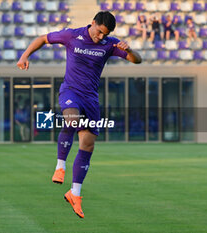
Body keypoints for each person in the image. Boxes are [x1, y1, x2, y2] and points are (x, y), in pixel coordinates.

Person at [17, 11, 142, 218]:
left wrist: (130, 49)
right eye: (99, 32)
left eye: (105, 34)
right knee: (72, 120)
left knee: (88, 144)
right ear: (92, 23)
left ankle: (75, 193)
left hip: (91, 99)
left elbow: (136, 60)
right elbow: (42, 39)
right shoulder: (72, 36)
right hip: (71, 92)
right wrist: (24, 56)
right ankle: (60, 166)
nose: (100, 37)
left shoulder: (110, 44)